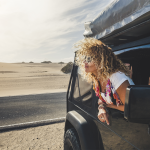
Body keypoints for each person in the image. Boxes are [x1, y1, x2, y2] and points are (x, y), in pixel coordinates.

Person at [74, 38, 134, 125]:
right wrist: (101, 107)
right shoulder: (97, 78)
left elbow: (131, 107)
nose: (84, 62)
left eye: (89, 58)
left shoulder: (117, 77)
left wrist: (112, 106)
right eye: (85, 58)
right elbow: (101, 98)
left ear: (101, 61)